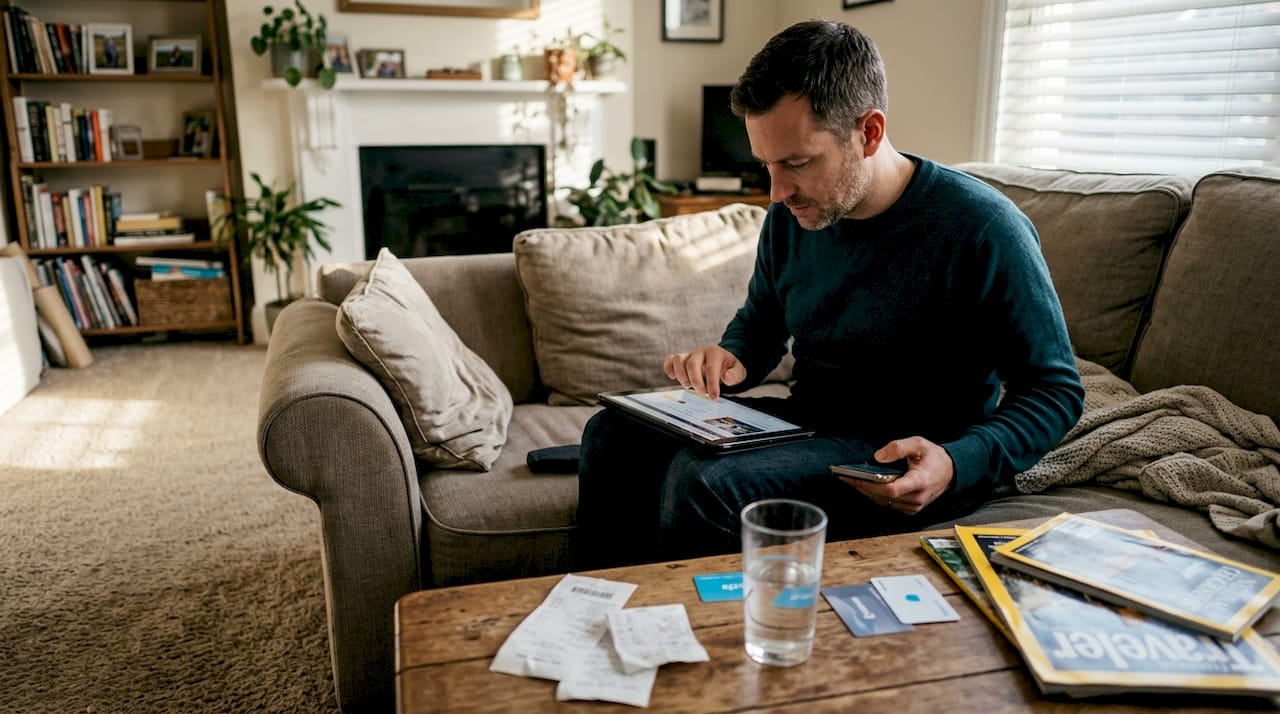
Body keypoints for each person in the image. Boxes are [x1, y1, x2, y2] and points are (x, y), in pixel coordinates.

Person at [575, 19, 1084, 569]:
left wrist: (958, 462)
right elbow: (763, 322)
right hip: (811, 423)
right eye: (767, 165)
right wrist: (732, 357)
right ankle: (603, 613)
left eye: (796, 163)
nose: (777, 191)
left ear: (868, 132)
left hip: (904, 455)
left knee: (704, 483)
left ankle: (688, 638)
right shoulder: (793, 216)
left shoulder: (982, 229)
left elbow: (1054, 388)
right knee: (612, 433)